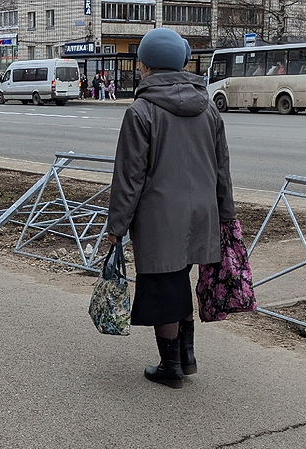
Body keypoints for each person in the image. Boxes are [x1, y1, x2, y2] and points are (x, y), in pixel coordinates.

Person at [106, 28, 236, 389]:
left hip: (160, 218)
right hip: (203, 213)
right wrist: (226, 215)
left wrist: (115, 226)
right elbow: (222, 166)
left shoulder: (142, 111)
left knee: (164, 289)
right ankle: (188, 357)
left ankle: (171, 367)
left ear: (144, 65)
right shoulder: (208, 107)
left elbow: (129, 177)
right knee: (181, 280)